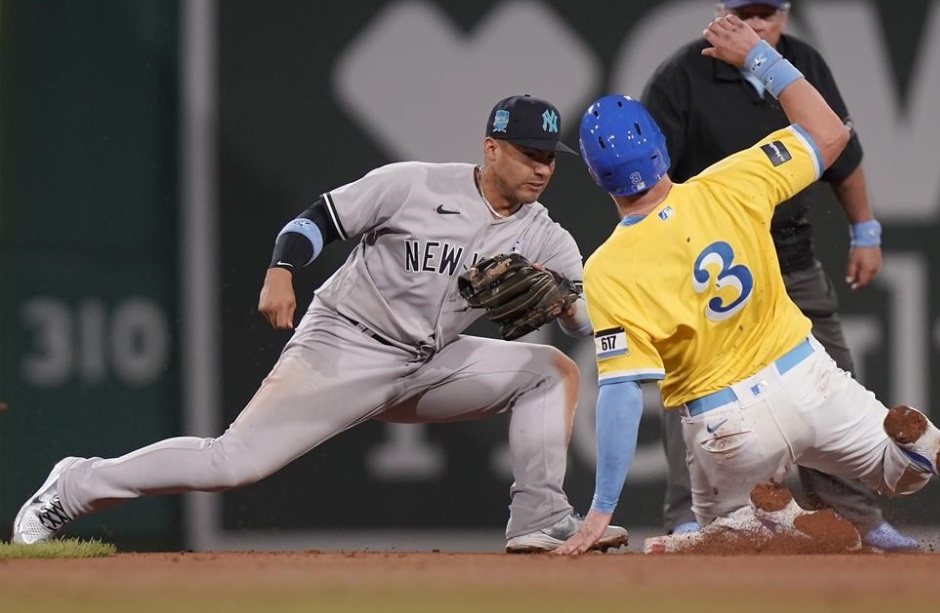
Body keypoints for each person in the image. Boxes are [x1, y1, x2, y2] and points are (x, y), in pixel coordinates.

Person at [11, 94, 628, 554]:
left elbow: (581, 319)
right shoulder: (413, 185)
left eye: (549, 158)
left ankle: (540, 520)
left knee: (551, 370)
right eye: (528, 154)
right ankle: (75, 485)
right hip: (344, 345)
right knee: (232, 464)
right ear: (492, 148)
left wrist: (565, 305)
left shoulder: (546, 235)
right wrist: (282, 269)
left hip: (431, 362)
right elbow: (317, 221)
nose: (542, 169)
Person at [554, 13, 940, 555]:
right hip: (810, 378)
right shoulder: (732, 182)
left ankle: (773, 519)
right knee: (899, 475)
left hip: (729, 425)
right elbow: (831, 133)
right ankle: (923, 444)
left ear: (597, 177)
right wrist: (761, 58)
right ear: (661, 150)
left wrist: (600, 511)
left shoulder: (607, 268)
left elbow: (620, 393)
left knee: (712, 538)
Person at [639, 0, 912, 550]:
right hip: (710, 268)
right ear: (721, 14)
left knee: (832, 379)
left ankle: (859, 523)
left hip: (789, 258)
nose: (756, 24)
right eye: (744, 13)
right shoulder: (681, 77)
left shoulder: (802, 66)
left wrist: (865, 229)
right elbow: (649, 175)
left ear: (784, 15)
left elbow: (843, 152)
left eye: (766, 14)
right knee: (688, 385)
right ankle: (689, 515)